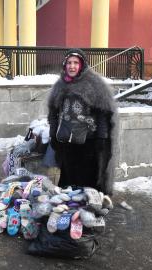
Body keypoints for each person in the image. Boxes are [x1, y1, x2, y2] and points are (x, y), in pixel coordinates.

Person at [47, 48, 118, 195]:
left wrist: (101, 137)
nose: (72, 66)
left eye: (75, 63)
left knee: (88, 180)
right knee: (68, 178)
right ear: (65, 65)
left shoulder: (94, 84)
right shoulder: (60, 85)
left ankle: (89, 209)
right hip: (66, 141)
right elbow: (53, 112)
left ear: (82, 65)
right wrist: (53, 134)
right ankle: (69, 208)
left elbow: (103, 113)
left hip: (89, 143)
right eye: (69, 63)